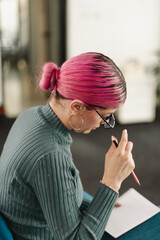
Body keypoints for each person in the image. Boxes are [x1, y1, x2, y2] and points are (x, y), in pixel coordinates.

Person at [0, 52, 135, 240]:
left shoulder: (29, 115)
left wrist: (102, 203)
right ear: (77, 107)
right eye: (105, 116)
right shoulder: (50, 155)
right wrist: (112, 182)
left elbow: (51, 193)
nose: (105, 123)